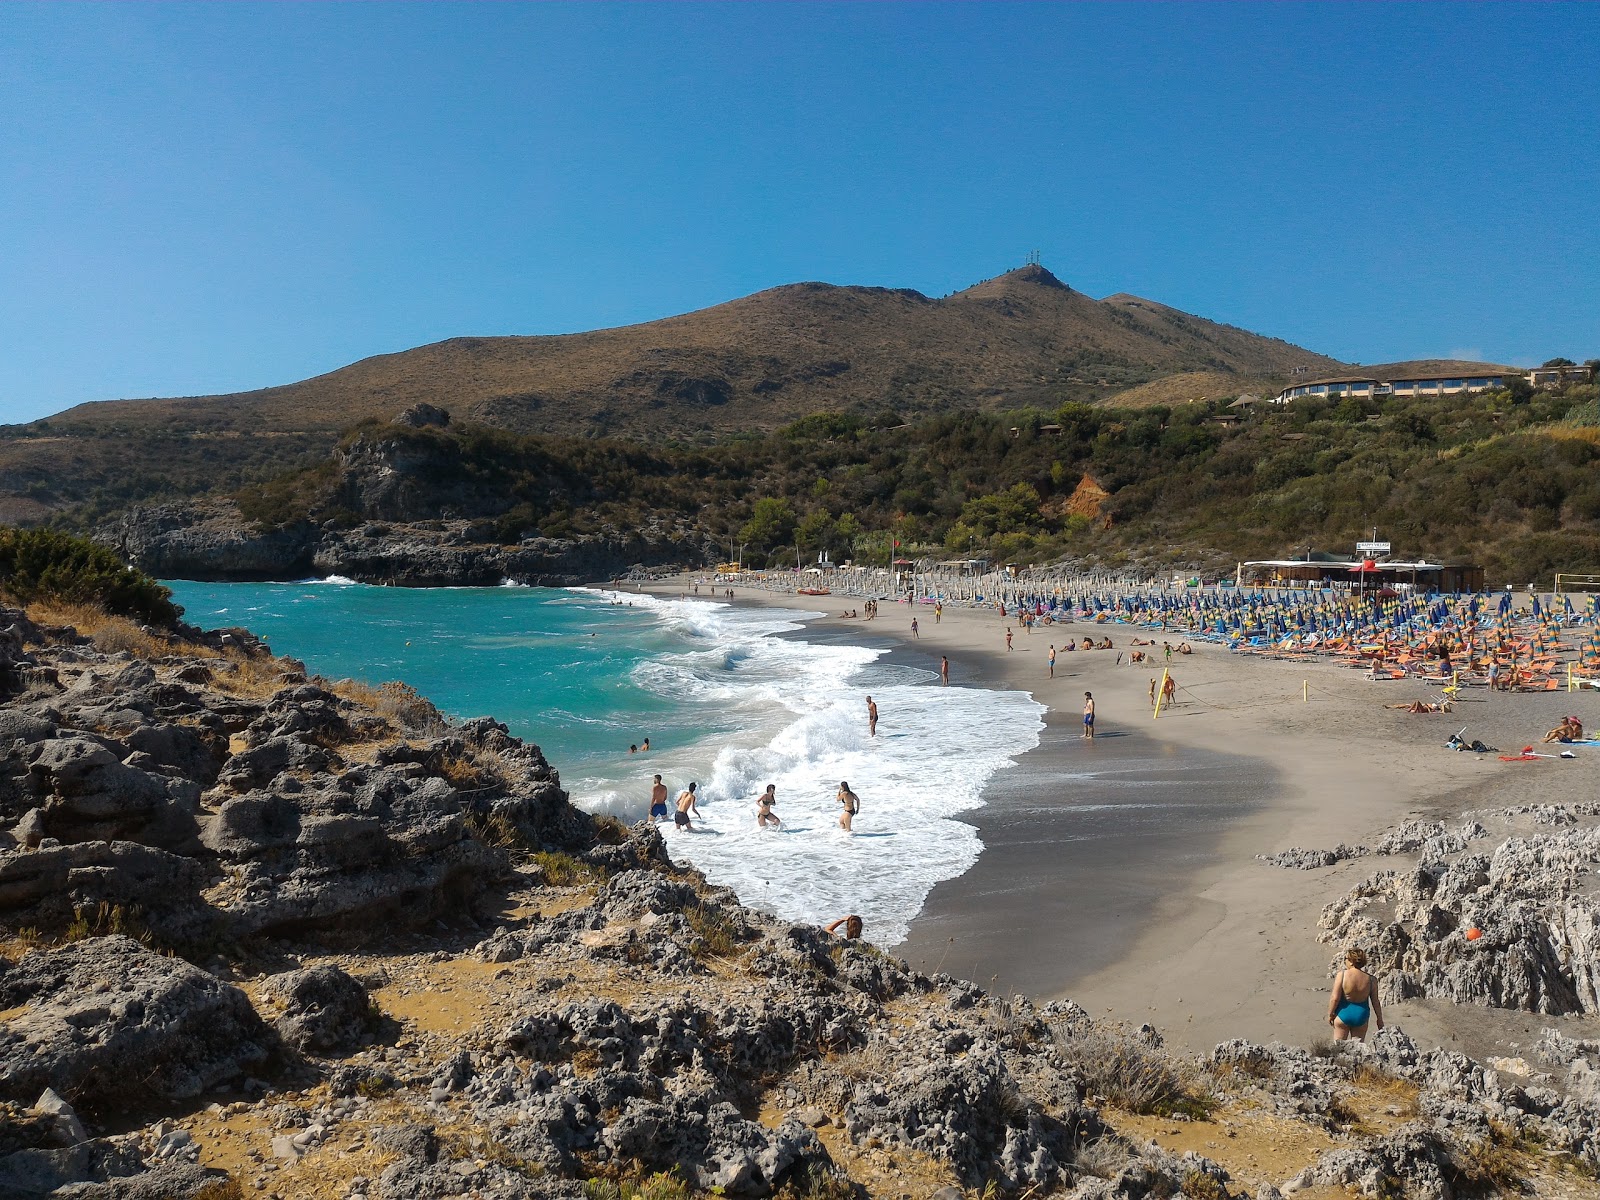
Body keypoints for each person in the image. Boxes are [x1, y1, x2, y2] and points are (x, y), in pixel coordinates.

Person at [1327, 947, 1383, 1041]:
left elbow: (1335, 998)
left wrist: (1330, 1013)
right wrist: (1379, 1019)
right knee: (1358, 1050)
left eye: (1346, 959)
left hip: (1343, 1014)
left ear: (1351, 961)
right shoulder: (1371, 979)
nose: (1345, 961)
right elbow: (1375, 1002)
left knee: (1338, 1049)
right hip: (1361, 1016)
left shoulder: (1342, 975)